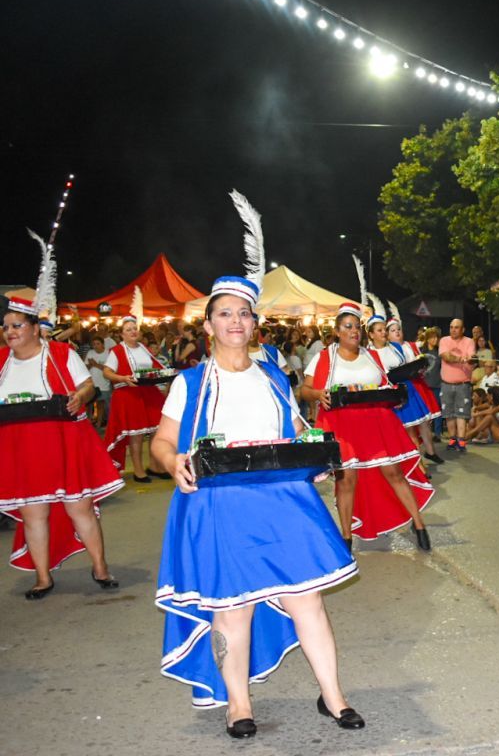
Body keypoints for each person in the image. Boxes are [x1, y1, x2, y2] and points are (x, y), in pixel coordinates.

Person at [151, 232, 363, 738]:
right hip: (219, 504)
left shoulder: (273, 378)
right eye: (225, 314)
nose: (236, 322)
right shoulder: (189, 383)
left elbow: (295, 433)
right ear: (208, 324)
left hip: (282, 501)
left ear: (254, 323)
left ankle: (333, 697)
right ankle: (238, 704)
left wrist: (313, 458)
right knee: (232, 609)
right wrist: (173, 461)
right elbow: (162, 441)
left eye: (244, 314)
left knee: (307, 600)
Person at [1, 290, 122, 600]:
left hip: (62, 443)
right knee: (33, 515)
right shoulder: (1, 361)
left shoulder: (60, 353)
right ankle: (43, 578)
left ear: (33, 326)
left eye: (16, 325)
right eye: (5, 327)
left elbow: (87, 385)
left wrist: (79, 398)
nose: (10, 332)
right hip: (20, 449)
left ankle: (100, 567)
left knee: (80, 508)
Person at [300, 303, 434, 551]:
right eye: (348, 327)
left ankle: (419, 526)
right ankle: (347, 538)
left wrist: (397, 394)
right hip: (342, 426)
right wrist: (319, 394)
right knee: (347, 480)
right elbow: (304, 390)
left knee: (393, 473)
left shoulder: (371, 357)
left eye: (357, 327)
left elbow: (386, 386)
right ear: (337, 331)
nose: (354, 332)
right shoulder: (324, 357)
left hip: (376, 424)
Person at [101, 291, 169, 483]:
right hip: (128, 394)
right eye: (129, 329)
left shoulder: (144, 348)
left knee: (157, 430)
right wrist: (122, 377)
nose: (133, 332)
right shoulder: (116, 350)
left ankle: (155, 465)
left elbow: (157, 368)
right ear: (122, 334)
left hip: (148, 392)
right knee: (137, 434)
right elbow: (107, 372)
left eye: (135, 329)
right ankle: (139, 470)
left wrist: (166, 379)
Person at [382, 312, 444, 465]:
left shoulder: (410, 345)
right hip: (402, 390)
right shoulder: (387, 350)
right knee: (410, 428)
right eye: (393, 330)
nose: (397, 332)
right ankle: (417, 466)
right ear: (387, 335)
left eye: (399, 329)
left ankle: (430, 452)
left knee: (424, 424)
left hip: (416, 388)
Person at [438, 318, 476, 452]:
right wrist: (460, 359)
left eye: (457, 327)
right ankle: (452, 438)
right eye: (451, 327)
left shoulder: (469, 341)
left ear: (463, 329)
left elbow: (472, 359)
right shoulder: (444, 340)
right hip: (446, 383)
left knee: (462, 414)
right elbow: (446, 356)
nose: (453, 329)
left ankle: (461, 441)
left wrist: (471, 359)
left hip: (463, 384)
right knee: (449, 414)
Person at [84, 334, 112, 427]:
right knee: (89, 404)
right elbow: (85, 367)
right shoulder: (90, 352)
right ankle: (88, 421)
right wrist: (90, 365)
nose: (95, 346)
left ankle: (99, 422)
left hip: (103, 383)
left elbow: (110, 369)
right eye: (94, 344)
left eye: (98, 344)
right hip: (91, 382)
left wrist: (96, 364)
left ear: (103, 344)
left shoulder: (108, 353)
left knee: (101, 404)